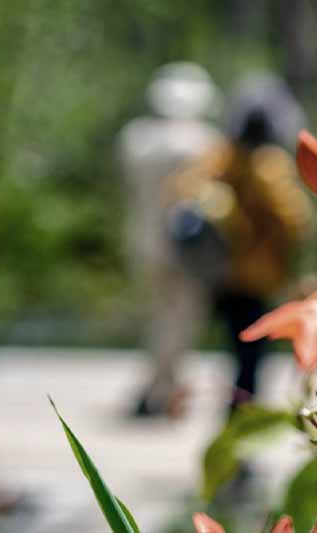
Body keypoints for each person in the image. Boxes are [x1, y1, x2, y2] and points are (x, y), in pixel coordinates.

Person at [165, 74, 313, 409]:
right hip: (254, 280)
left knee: (235, 354)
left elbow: (184, 189)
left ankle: (232, 420)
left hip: (222, 275)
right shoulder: (269, 166)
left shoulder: (219, 156)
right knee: (249, 362)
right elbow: (295, 221)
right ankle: (238, 424)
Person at [119, 62, 223, 416]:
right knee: (180, 320)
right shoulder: (204, 143)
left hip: (143, 242)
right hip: (186, 247)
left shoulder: (137, 139)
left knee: (156, 318)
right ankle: (163, 389)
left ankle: (158, 386)